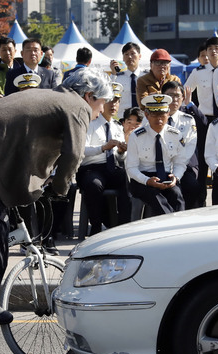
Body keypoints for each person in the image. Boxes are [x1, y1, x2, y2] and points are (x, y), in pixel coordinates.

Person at [0, 67, 113, 324]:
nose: (102, 107)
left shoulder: (52, 95)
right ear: (89, 96)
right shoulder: (77, 106)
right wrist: (60, 189)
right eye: (102, 101)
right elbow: (74, 154)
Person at [77, 82, 130, 235]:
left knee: (127, 180)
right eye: (110, 100)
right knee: (94, 185)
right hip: (91, 168)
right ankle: (95, 227)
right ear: (102, 102)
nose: (113, 105)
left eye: (117, 101)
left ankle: (124, 226)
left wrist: (121, 151)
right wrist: (102, 147)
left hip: (112, 166)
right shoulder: (90, 123)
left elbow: (121, 157)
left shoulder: (117, 126)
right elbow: (81, 150)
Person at [126, 94, 187, 214]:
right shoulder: (137, 136)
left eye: (162, 113)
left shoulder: (175, 134)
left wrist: (176, 177)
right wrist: (147, 180)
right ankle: (173, 224)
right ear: (147, 115)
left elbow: (180, 162)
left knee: (176, 194)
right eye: (154, 114)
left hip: (166, 177)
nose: (159, 118)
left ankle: (180, 226)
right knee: (155, 196)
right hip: (142, 179)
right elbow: (131, 168)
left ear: (168, 113)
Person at [162, 81, 207, 209]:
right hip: (161, 164)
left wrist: (177, 171)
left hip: (185, 164)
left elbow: (188, 149)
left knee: (192, 186)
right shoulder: (154, 117)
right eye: (170, 95)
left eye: (178, 95)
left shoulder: (187, 119)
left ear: (183, 98)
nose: (174, 99)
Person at [185, 37, 218, 118]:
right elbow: (185, 91)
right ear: (206, 52)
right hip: (205, 118)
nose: (213, 51)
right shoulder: (198, 72)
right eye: (210, 49)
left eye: (216, 48)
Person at [110, 42, 148, 112]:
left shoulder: (147, 76)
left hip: (144, 117)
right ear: (123, 58)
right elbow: (109, 92)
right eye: (126, 54)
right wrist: (113, 73)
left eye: (132, 54)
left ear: (139, 56)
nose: (129, 57)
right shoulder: (117, 78)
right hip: (123, 118)